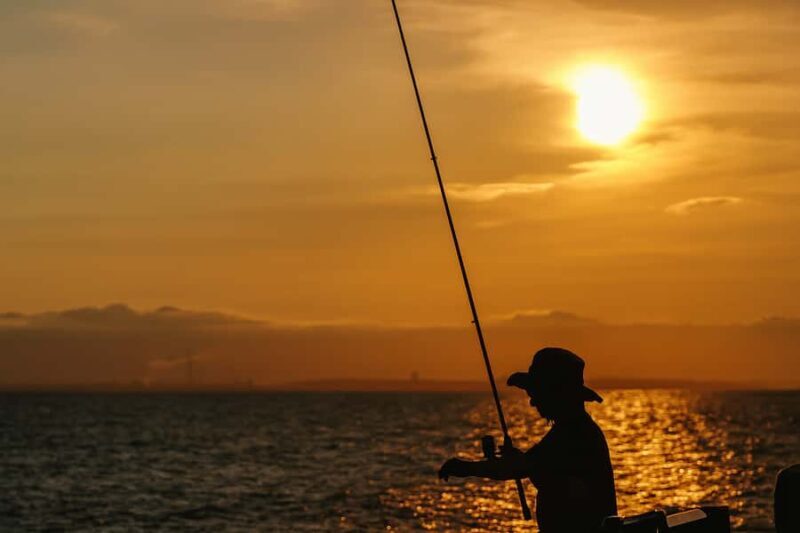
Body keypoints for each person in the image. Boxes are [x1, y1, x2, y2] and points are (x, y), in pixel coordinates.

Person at [438, 347, 617, 532]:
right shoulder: (572, 430)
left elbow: (523, 466)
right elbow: (537, 465)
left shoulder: (575, 433)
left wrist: (467, 468)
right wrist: (519, 460)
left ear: (557, 394)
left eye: (538, 392)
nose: (533, 401)